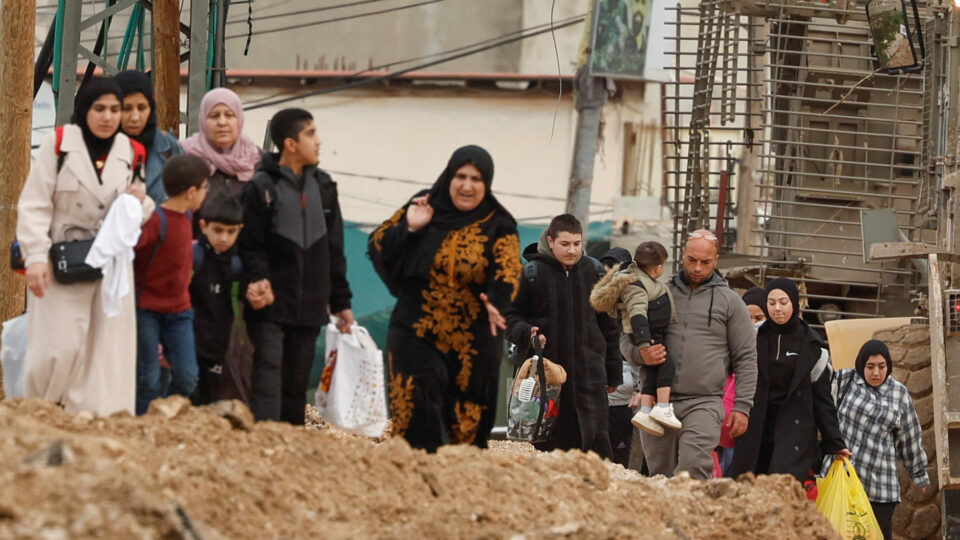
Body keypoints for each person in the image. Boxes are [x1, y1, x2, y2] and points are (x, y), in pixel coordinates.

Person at [368, 145, 520, 451]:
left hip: (471, 341)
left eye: (476, 179)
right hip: (416, 330)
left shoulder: (499, 224)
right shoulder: (425, 205)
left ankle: (455, 493)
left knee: (464, 430)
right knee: (418, 412)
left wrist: (495, 300)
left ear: (486, 183)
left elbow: (509, 270)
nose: (467, 185)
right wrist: (411, 227)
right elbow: (379, 244)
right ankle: (417, 487)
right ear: (449, 176)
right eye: (460, 176)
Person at [17, 77, 154, 416]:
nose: (108, 117)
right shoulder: (60, 145)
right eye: (99, 109)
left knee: (103, 352)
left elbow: (142, 207)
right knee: (55, 347)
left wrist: (140, 203)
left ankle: (94, 420)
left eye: (115, 110)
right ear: (84, 110)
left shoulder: (131, 152)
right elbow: (35, 205)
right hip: (61, 261)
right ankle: (42, 411)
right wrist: (34, 257)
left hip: (109, 267)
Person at [240, 108, 353, 425]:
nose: (318, 141)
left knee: (295, 384)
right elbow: (250, 245)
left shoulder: (326, 188)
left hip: (310, 307)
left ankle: (290, 452)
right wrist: (258, 278)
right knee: (268, 379)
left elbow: (334, 249)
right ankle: (264, 447)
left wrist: (341, 303)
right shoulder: (260, 188)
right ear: (290, 143)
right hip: (270, 307)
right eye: (311, 134)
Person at [619, 230, 757, 479]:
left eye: (705, 262)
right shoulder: (657, 293)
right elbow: (626, 338)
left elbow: (746, 357)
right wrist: (642, 356)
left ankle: (694, 518)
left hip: (704, 402)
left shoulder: (730, 302)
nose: (697, 268)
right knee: (661, 475)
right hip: (659, 401)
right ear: (682, 256)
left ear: (716, 260)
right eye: (691, 260)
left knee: (693, 470)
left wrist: (742, 406)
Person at [505, 214, 622, 458]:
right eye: (565, 244)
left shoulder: (596, 272)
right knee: (547, 450)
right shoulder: (530, 273)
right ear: (550, 241)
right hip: (546, 381)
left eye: (577, 244)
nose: (572, 250)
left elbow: (609, 326)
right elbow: (509, 318)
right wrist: (528, 332)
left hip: (589, 378)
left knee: (596, 449)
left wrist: (613, 373)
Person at [726, 277, 851, 483]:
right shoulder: (753, 338)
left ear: (794, 302)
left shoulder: (812, 345)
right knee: (745, 489)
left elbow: (823, 400)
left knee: (782, 491)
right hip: (757, 427)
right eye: (772, 303)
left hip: (794, 430)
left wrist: (835, 441)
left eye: (783, 303)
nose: (777, 309)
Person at [824, 339, 930, 540]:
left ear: (888, 366)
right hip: (842, 479)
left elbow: (910, 436)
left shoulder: (899, 394)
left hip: (879, 487)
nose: (876, 373)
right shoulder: (845, 381)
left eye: (881, 367)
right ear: (861, 364)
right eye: (870, 366)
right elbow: (823, 415)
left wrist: (919, 472)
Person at [134, 155, 210, 414]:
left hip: (179, 312)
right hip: (147, 311)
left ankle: (163, 416)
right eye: (204, 188)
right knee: (148, 379)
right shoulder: (155, 221)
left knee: (188, 377)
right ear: (191, 192)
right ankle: (144, 428)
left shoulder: (187, 218)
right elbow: (134, 257)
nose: (205, 194)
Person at [592, 241, 680, 438]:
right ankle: (664, 407)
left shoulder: (638, 281)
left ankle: (647, 412)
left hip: (648, 334)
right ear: (658, 267)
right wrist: (643, 343)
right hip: (649, 334)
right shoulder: (637, 285)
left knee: (651, 369)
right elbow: (638, 315)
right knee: (667, 365)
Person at [190, 194, 248, 405]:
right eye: (218, 230)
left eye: (231, 232)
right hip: (190, 337)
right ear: (204, 226)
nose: (224, 238)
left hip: (219, 343)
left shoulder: (237, 265)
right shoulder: (193, 256)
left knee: (210, 395)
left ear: (239, 229)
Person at [181, 88, 262, 219]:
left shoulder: (257, 159)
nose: (222, 122)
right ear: (203, 119)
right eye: (214, 116)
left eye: (229, 115)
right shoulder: (185, 158)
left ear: (239, 119)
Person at [715, 286, 767, 475]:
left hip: (741, 432)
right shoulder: (727, 341)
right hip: (716, 425)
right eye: (747, 317)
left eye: (759, 318)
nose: (752, 323)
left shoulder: (768, 351)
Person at [598, 246, 640, 467]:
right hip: (598, 397)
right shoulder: (597, 306)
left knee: (621, 459)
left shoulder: (636, 307)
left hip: (627, 401)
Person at [115, 70, 184, 203]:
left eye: (142, 108)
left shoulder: (167, 146)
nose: (135, 117)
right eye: (127, 108)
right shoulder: (99, 146)